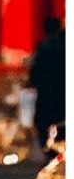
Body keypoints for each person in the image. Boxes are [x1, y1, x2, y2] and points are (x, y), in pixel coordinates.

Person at [28, 16, 66, 151]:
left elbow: (35, 68)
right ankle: (59, 145)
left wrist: (33, 81)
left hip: (45, 88)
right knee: (61, 118)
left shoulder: (42, 47)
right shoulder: (64, 45)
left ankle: (47, 146)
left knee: (42, 119)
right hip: (61, 88)